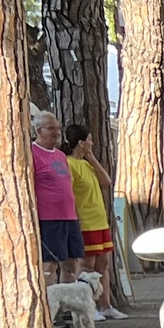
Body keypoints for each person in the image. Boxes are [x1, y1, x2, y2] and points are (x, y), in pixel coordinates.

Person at [63, 122, 124, 317]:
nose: (92, 143)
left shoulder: (87, 163)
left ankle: (105, 306)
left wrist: (91, 157)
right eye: (89, 140)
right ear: (81, 143)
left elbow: (105, 181)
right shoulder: (69, 164)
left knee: (103, 265)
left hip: (100, 221)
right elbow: (68, 193)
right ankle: (86, 307)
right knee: (86, 266)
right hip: (85, 221)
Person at [31, 113, 81, 287]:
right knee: (49, 264)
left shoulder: (60, 155)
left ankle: (67, 307)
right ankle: (50, 305)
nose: (57, 132)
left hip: (69, 216)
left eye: (58, 128)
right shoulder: (32, 153)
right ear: (39, 130)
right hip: (48, 218)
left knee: (71, 263)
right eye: (51, 128)